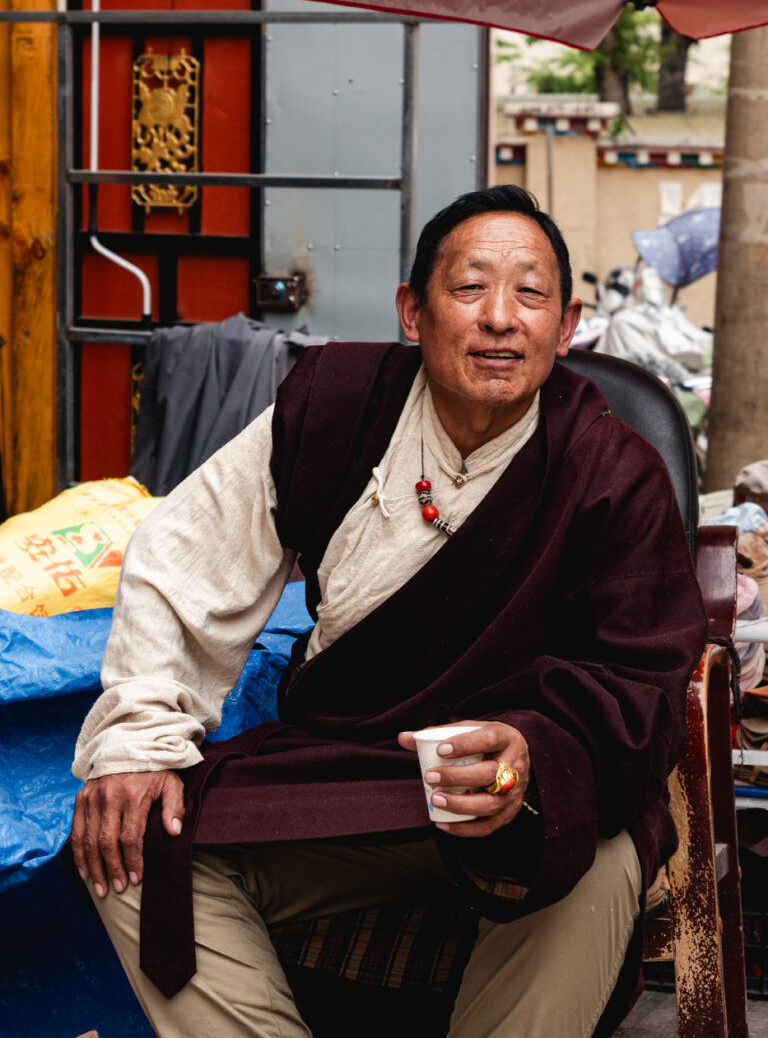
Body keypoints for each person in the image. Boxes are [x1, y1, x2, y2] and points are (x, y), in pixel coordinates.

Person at [68, 185, 707, 1038]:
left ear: (568, 324)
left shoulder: (614, 473)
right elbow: (183, 565)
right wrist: (138, 744)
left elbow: (641, 682)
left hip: (521, 799)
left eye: (530, 293)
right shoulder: (335, 405)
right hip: (346, 775)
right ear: (412, 311)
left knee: (594, 856)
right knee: (134, 847)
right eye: (470, 286)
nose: (500, 318)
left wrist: (532, 752)